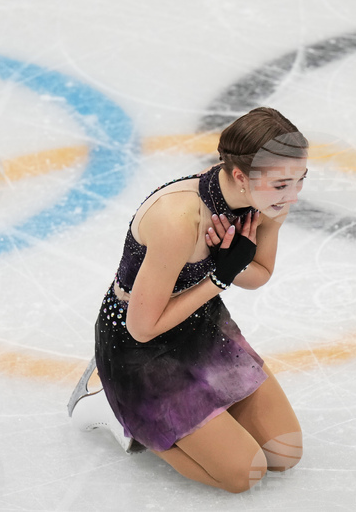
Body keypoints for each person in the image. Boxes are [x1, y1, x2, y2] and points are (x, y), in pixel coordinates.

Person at [68, 107, 308, 494]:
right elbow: (142, 328)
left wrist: (232, 263)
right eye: (282, 184)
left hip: (201, 326)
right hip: (139, 348)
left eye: (301, 179)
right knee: (243, 475)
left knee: (285, 454)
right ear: (240, 176)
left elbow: (260, 272)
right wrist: (220, 275)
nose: (293, 196)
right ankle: (113, 407)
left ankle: (200, 421)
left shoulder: (267, 202)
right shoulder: (178, 219)